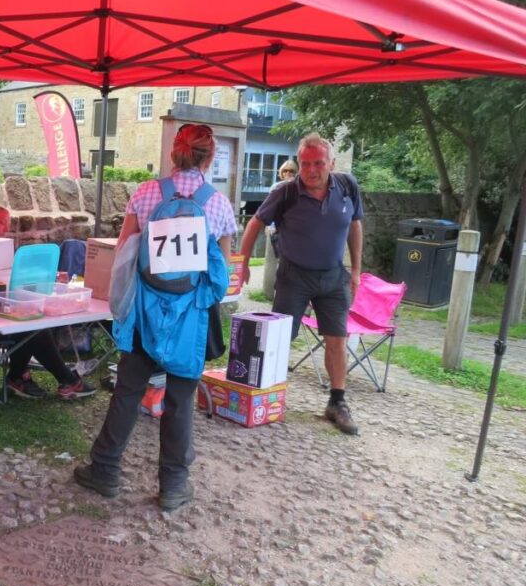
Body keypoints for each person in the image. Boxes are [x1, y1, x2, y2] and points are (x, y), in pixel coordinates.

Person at [73, 124, 235, 511]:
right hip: (191, 315)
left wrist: (123, 304)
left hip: (145, 311)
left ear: (172, 154)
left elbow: (125, 253)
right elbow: (221, 277)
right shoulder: (218, 204)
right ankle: (174, 486)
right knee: (180, 398)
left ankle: (105, 469)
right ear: (210, 158)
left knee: (129, 389)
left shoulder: (146, 194)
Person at [237, 133, 363, 435]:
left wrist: (357, 269)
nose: (310, 170)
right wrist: (241, 262)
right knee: (279, 338)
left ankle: (337, 402)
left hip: (333, 277)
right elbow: (255, 222)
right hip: (294, 276)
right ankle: (267, 396)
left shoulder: (347, 186)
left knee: (337, 339)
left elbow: (355, 224)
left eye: (318, 163)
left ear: (330, 163)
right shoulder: (285, 192)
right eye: (305, 164)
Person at [0, 204, 96, 400]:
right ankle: (58, 379)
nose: (6, 229)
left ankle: (22, 376)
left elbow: (6, 276)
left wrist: (46, 277)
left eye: (7, 224)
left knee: (29, 320)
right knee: (31, 325)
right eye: (1, 222)